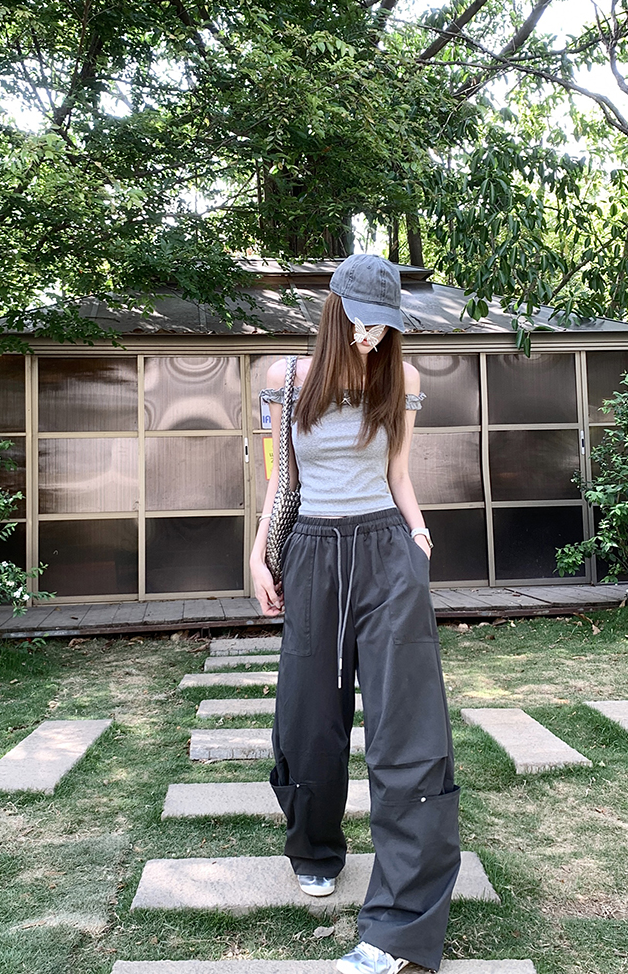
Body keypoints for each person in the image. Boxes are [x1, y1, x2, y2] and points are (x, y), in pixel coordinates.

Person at [250, 254, 461, 974]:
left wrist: (420, 538)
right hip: (311, 551)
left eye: (384, 327)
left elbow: (398, 472)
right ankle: (314, 847)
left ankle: (400, 929)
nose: (372, 338)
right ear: (335, 310)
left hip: (385, 549)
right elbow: (281, 482)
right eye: (363, 323)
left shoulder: (402, 378)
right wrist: (260, 556)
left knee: (409, 729)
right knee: (308, 715)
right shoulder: (285, 379)